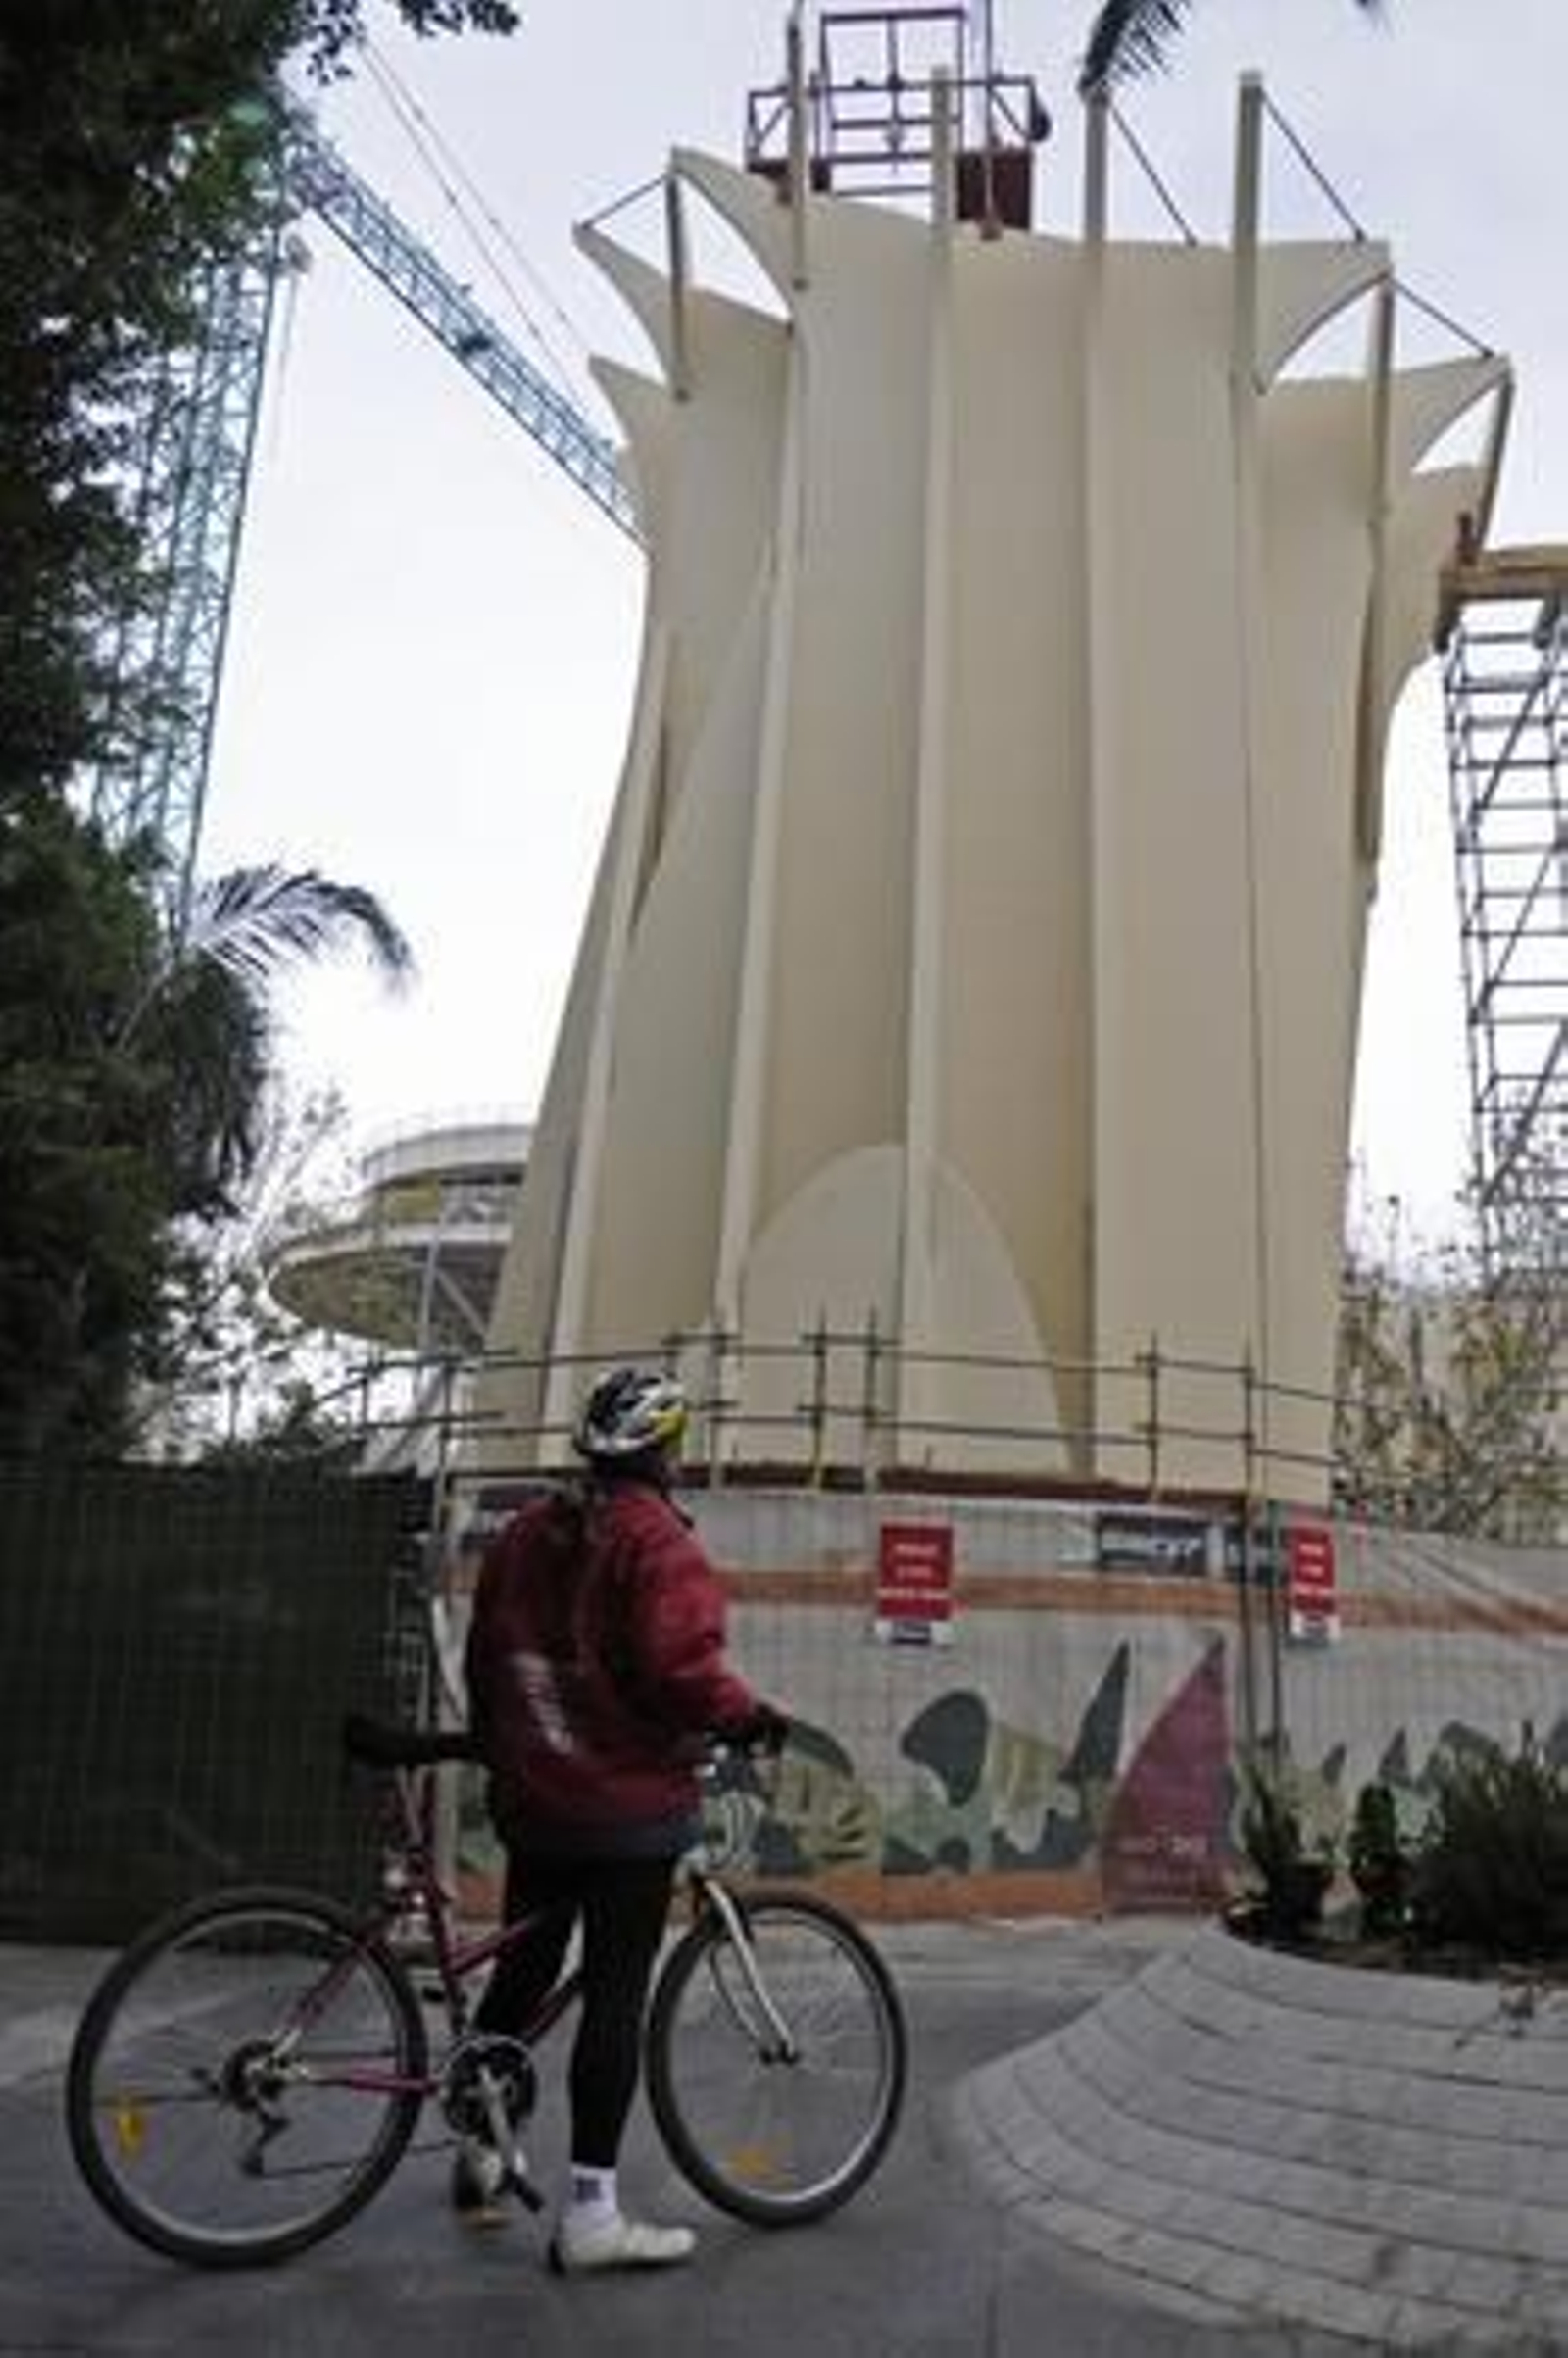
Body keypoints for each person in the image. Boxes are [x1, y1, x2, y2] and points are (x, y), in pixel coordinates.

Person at [459, 1364, 787, 2274]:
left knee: (520, 1974)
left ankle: (483, 2151)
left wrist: (505, 1752)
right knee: (614, 2001)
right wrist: (750, 1717)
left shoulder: (527, 1532)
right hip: (625, 1813)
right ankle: (593, 2215)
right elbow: (683, 1669)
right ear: (667, 1449)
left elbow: (486, 1658)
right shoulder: (658, 1544)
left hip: (537, 1801)